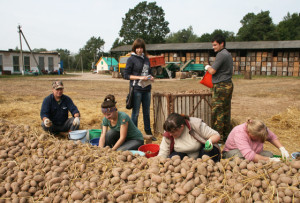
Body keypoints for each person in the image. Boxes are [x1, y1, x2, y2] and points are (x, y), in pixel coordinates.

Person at [123, 38, 157, 141]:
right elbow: (126, 75)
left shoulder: (146, 59)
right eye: (137, 48)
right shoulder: (131, 59)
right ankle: (135, 134)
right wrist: (140, 77)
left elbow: (148, 72)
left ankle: (148, 133)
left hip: (147, 89)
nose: (139, 50)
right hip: (136, 89)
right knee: (136, 112)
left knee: (146, 112)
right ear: (134, 48)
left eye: (141, 48)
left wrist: (151, 77)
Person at [204, 34, 233, 142]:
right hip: (227, 84)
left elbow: (212, 71)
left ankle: (217, 139)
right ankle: (226, 137)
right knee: (225, 111)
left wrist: (206, 66)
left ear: (222, 44)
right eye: (213, 45)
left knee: (217, 113)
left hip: (221, 86)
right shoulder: (228, 54)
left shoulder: (221, 54)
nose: (213, 47)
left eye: (215, 45)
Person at [223, 119, 290, 162]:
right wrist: (269, 160)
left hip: (253, 151)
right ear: (250, 134)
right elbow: (249, 155)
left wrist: (282, 148)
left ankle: (257, 160)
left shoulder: (261, 128)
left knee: (269, 154)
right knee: (241, 159)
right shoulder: (240, 132)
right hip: (233, 152)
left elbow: (272, 137)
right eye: (258, 138)